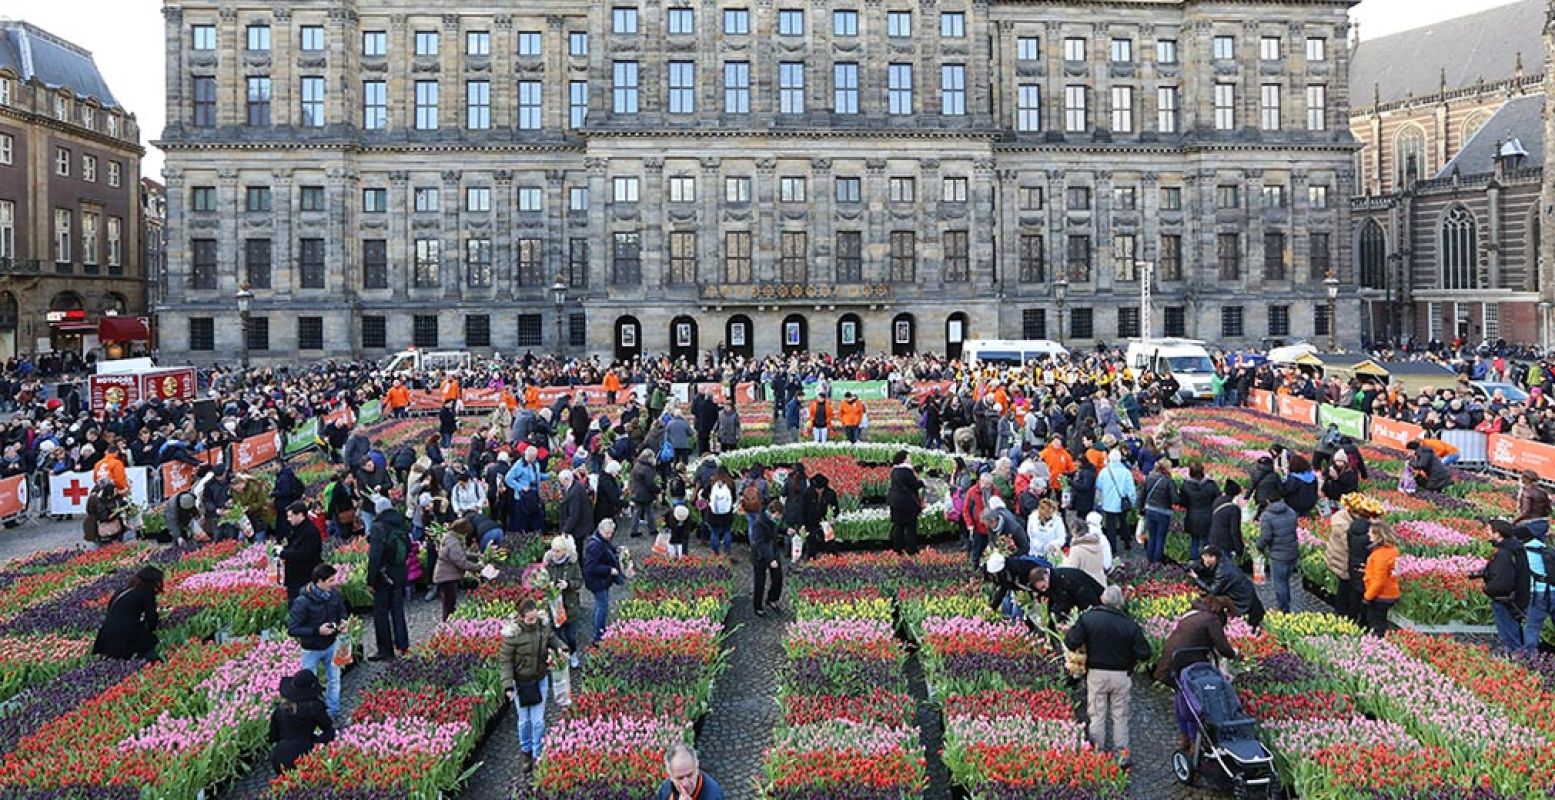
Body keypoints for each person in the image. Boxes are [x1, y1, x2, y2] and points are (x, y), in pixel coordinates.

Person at [1063, 586, 1151, 768]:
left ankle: (1097, 754)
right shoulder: (1130, 624)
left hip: (1096, 674)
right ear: (1120, 603)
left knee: (1097, 715)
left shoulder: (1088, 619)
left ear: (1102, 599)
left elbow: (1071, 641)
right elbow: (1145, 653)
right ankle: (1122, 756)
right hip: (1121, 676)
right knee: (1120, 716)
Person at [1153, 595, 1239, 753]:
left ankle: (1185, 738)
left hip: (1172, 661)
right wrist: (1235, 653)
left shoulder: (1195, 613)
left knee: (1182, 697)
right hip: (1187, 662)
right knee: (1193, 704)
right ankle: (1193, 744)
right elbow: (1223, 648)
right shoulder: (1211, 619)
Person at [499, 597, 570, 770]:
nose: (533, 622)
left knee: (538, 721)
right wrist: (508, 686)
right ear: (521, 617)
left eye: (534, 618)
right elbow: (505, 662)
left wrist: (561, 648)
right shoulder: (513, 635)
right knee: (524, 721)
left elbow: (552, 639)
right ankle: (526, 751)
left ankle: (537, 754)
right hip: (521, 683)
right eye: (529, 619)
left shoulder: (543, 626)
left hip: (540, 678)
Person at [286, 563, 347, 718]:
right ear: (319, 581)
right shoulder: (302, 602)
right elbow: (292, 629)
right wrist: (317, 631)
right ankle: (313, 715)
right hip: (311, 648)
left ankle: (332, 712)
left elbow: (342, 610)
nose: (333, 584)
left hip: (331, 644)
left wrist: (343, 621)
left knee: (334, 680)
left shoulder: (334, 594)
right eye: (330, 581)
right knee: (310, 684)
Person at [1473, 519, 1531, 652]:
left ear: (1498, 534)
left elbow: (1502, 582)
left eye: (1488, 531)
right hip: (1517, 599)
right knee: (1515, 634)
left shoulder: (1505, 553)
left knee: (1510, 637)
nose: (1486, 534)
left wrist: (1487, 589)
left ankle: (1518, 665)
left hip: (1505, 601)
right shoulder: (1516, 549)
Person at [366, 496, 411, 660]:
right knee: (398, 611)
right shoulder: (401, 523)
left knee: (381, 613)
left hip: (383, 576)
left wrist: (370, 580)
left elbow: (375, 557)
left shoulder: (378, 527)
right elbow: (408, 546)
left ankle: (385, 650)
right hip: (399, 572)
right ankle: (403, 646)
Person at [267, 669, 335, 774]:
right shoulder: (313, 708)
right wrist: (316, 742)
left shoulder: (279, 710)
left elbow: (272, 737)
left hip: (279, 756)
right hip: (302, 755)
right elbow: (328, 729)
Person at [92, 566, 163, 661]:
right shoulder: (146, 592)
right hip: (124, 638)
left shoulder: (122, 591)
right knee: (150, 644)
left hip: (104, 638)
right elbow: (151, 619)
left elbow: (111, 611)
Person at [1193, 546, 1263, 629]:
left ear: (1212, 557)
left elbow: (1213, 590)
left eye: (1204, 558)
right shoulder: (1222, 560)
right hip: (1246, 594)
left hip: (1242, 600)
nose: (1203, 561)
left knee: (1213, 600)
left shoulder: (1222, 572)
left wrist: (1196, 578)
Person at [582, 518, 627, 644]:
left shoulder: (601, 540)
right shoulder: (594, 546)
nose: (609, 536)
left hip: (600, 580)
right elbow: (591, 568)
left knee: (601, 605)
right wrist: (609, 570)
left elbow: (609, 549)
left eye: (611, 533)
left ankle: (600, 631)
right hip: (597, 581)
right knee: (602, 607)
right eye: (607, 533)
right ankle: (597, 636)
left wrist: (617, 550)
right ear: (600, 530)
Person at [433, 518, 484, 620]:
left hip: (444, 576)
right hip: (447, 578)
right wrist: (479, 567)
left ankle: (448, 625)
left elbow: (461, 554)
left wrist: (477, 556)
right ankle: (447, 628)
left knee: (448, 604)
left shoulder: (449, 537)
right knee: (449, 606)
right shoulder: (453, 543)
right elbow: (462, 563)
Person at [544, 535, 584, 664]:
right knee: (557, 633)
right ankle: (561, 656)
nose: (554, 553)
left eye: (557, 551)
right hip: (554, 606)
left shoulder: (572, 563)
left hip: (569, 605)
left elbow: (579, 581)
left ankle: (573, 653)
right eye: (553, 550)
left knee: (570, 634)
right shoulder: (548, 564)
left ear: (565, 551)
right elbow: (542, 579)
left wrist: (568, 584)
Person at [1257, 496, 1299, 613]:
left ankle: (1283, 608)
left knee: (1279, 583)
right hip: (1292, 551)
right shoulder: (1290, 511)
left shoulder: (1267, 516)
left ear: (1268, 500)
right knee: (1286, 580)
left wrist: (1258, 546)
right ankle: (1286, 600)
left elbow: (1266, 537)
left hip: (1278, 554)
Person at [278, 502, 322, 604]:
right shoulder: (296, 529)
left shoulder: (310, 531)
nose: (288, 519)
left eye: (291, 516)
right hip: (294, 576)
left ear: (300, 515)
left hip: (304, 576)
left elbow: (303, 554)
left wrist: (283, 553)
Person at [1361, 523, 1400, 637]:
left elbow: (1379, 581)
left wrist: (1367, 597)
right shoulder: (1393, 550)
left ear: (1379, 536)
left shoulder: (1380, 555)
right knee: (1381, 621)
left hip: (1380, 595)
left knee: (1376, 623)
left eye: (1371, 532)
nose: (1368, 534)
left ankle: (1378, 645)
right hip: (1391, 592)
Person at [1095, 450, 1137, 555]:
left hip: (1108, 503)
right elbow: (1131, 489)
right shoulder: (1126, 472)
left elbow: (1099, 485)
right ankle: (1127, 542)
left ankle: (1112, 547)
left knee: (1111, 526)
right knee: (1124, 523)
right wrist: (1132, 501)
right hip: (1122, 503)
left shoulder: (1104, 471)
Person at [1030, 565, 1104, 622]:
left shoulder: (1065, 579)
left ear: (1046, 577)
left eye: (1043, 586)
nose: (1044, 590)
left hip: (1095, 603)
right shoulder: (1054, 580)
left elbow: (1082, 598)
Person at [656, 743, 727, 800]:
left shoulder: (713, 795)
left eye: (690, 775)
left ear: (697, 768)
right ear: (671, 776)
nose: (686, 783)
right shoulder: (665, 789)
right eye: (680, 778)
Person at [1178, 463, 1218, 563]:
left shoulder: (1186, 486)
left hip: (1192, 517)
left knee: (1194, 542)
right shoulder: (1210, 485)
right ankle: (1208, 564)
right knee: (1206, 542)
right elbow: (1218, 498)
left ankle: (1194, 564)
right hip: (1208, 516)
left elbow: (1183, 503)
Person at [1521, 525, 1552, 655]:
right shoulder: (1546, 548)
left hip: (1537, 593)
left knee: (1533, 627)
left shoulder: (1522, 552)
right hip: (1553, 590)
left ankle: (1530, 657)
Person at [887, 450, 924, 555]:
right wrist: (922, 482)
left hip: (894, 502)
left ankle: (897, 548)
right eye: (909, 457)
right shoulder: (906, 471)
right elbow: (914, 485)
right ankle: (911, 548)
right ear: (904, 459)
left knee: (898, 525)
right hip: (906, 502)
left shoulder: (894, 471)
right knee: (910, 526)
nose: (910, 459)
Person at [1140, 461, 1177, 564]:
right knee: (1160, 538)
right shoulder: (1169, 481)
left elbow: (1143, 494)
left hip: (1149, 509)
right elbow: (1175, 499)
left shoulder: (1150, 477)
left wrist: (1141, 509)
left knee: (1152, 537)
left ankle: (1149, 560)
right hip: (1163, 512)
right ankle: (1157, 562)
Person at [752, 499, 784, 617]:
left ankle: (772, 599)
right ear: (773, 512)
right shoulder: (760, 523)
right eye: (778, 515)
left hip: (773, 551)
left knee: (778, 578)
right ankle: (758, 606)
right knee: (760, 582)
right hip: (760, 555)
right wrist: (771, 559)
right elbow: (760, 544)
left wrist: (786, 531)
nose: (779, 518)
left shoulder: (772, 520)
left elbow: (776, 531)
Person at [1064, 512, 1112, 588]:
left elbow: (1071, 570)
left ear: (1074, 532)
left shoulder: (1076, 549)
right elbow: (1107, 563)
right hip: (1100, 582)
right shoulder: (1098, 542)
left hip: (1085, 586)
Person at [1206, 481, 1246, 565]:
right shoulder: (1233, 509)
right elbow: (1234, 531)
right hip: (1225, 542)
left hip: (1213, 538)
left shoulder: (1217, 501)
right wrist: (1239, 548)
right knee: (1224, 568)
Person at [704, 468, 737, 558]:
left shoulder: (711, 482)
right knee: (727, 531)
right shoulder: (731, 483)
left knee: (714, 532)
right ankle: (727, 551)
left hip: (713, 513)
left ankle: (715, 552)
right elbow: (734, 498)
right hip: (727, 513)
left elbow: (704, 494)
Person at [1027, 498, 1068, 562]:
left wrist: (1051, 545)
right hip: (1035, 554)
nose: (1051, 514)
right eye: (1048, 512)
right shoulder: (1032, 517)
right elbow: (1030, 534)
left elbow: (1062, 538)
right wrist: (1038, 544)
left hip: (1051, 555)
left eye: (1052, 512)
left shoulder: (1058, 520)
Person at [1516, 470, 1552, 541]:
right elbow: (1549, 509)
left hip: (1530, 525)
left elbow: (1526, 512)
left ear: (1526, 479)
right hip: (1543, 524)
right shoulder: (1543, 492)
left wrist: (1514, 522)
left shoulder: (1526, 492)